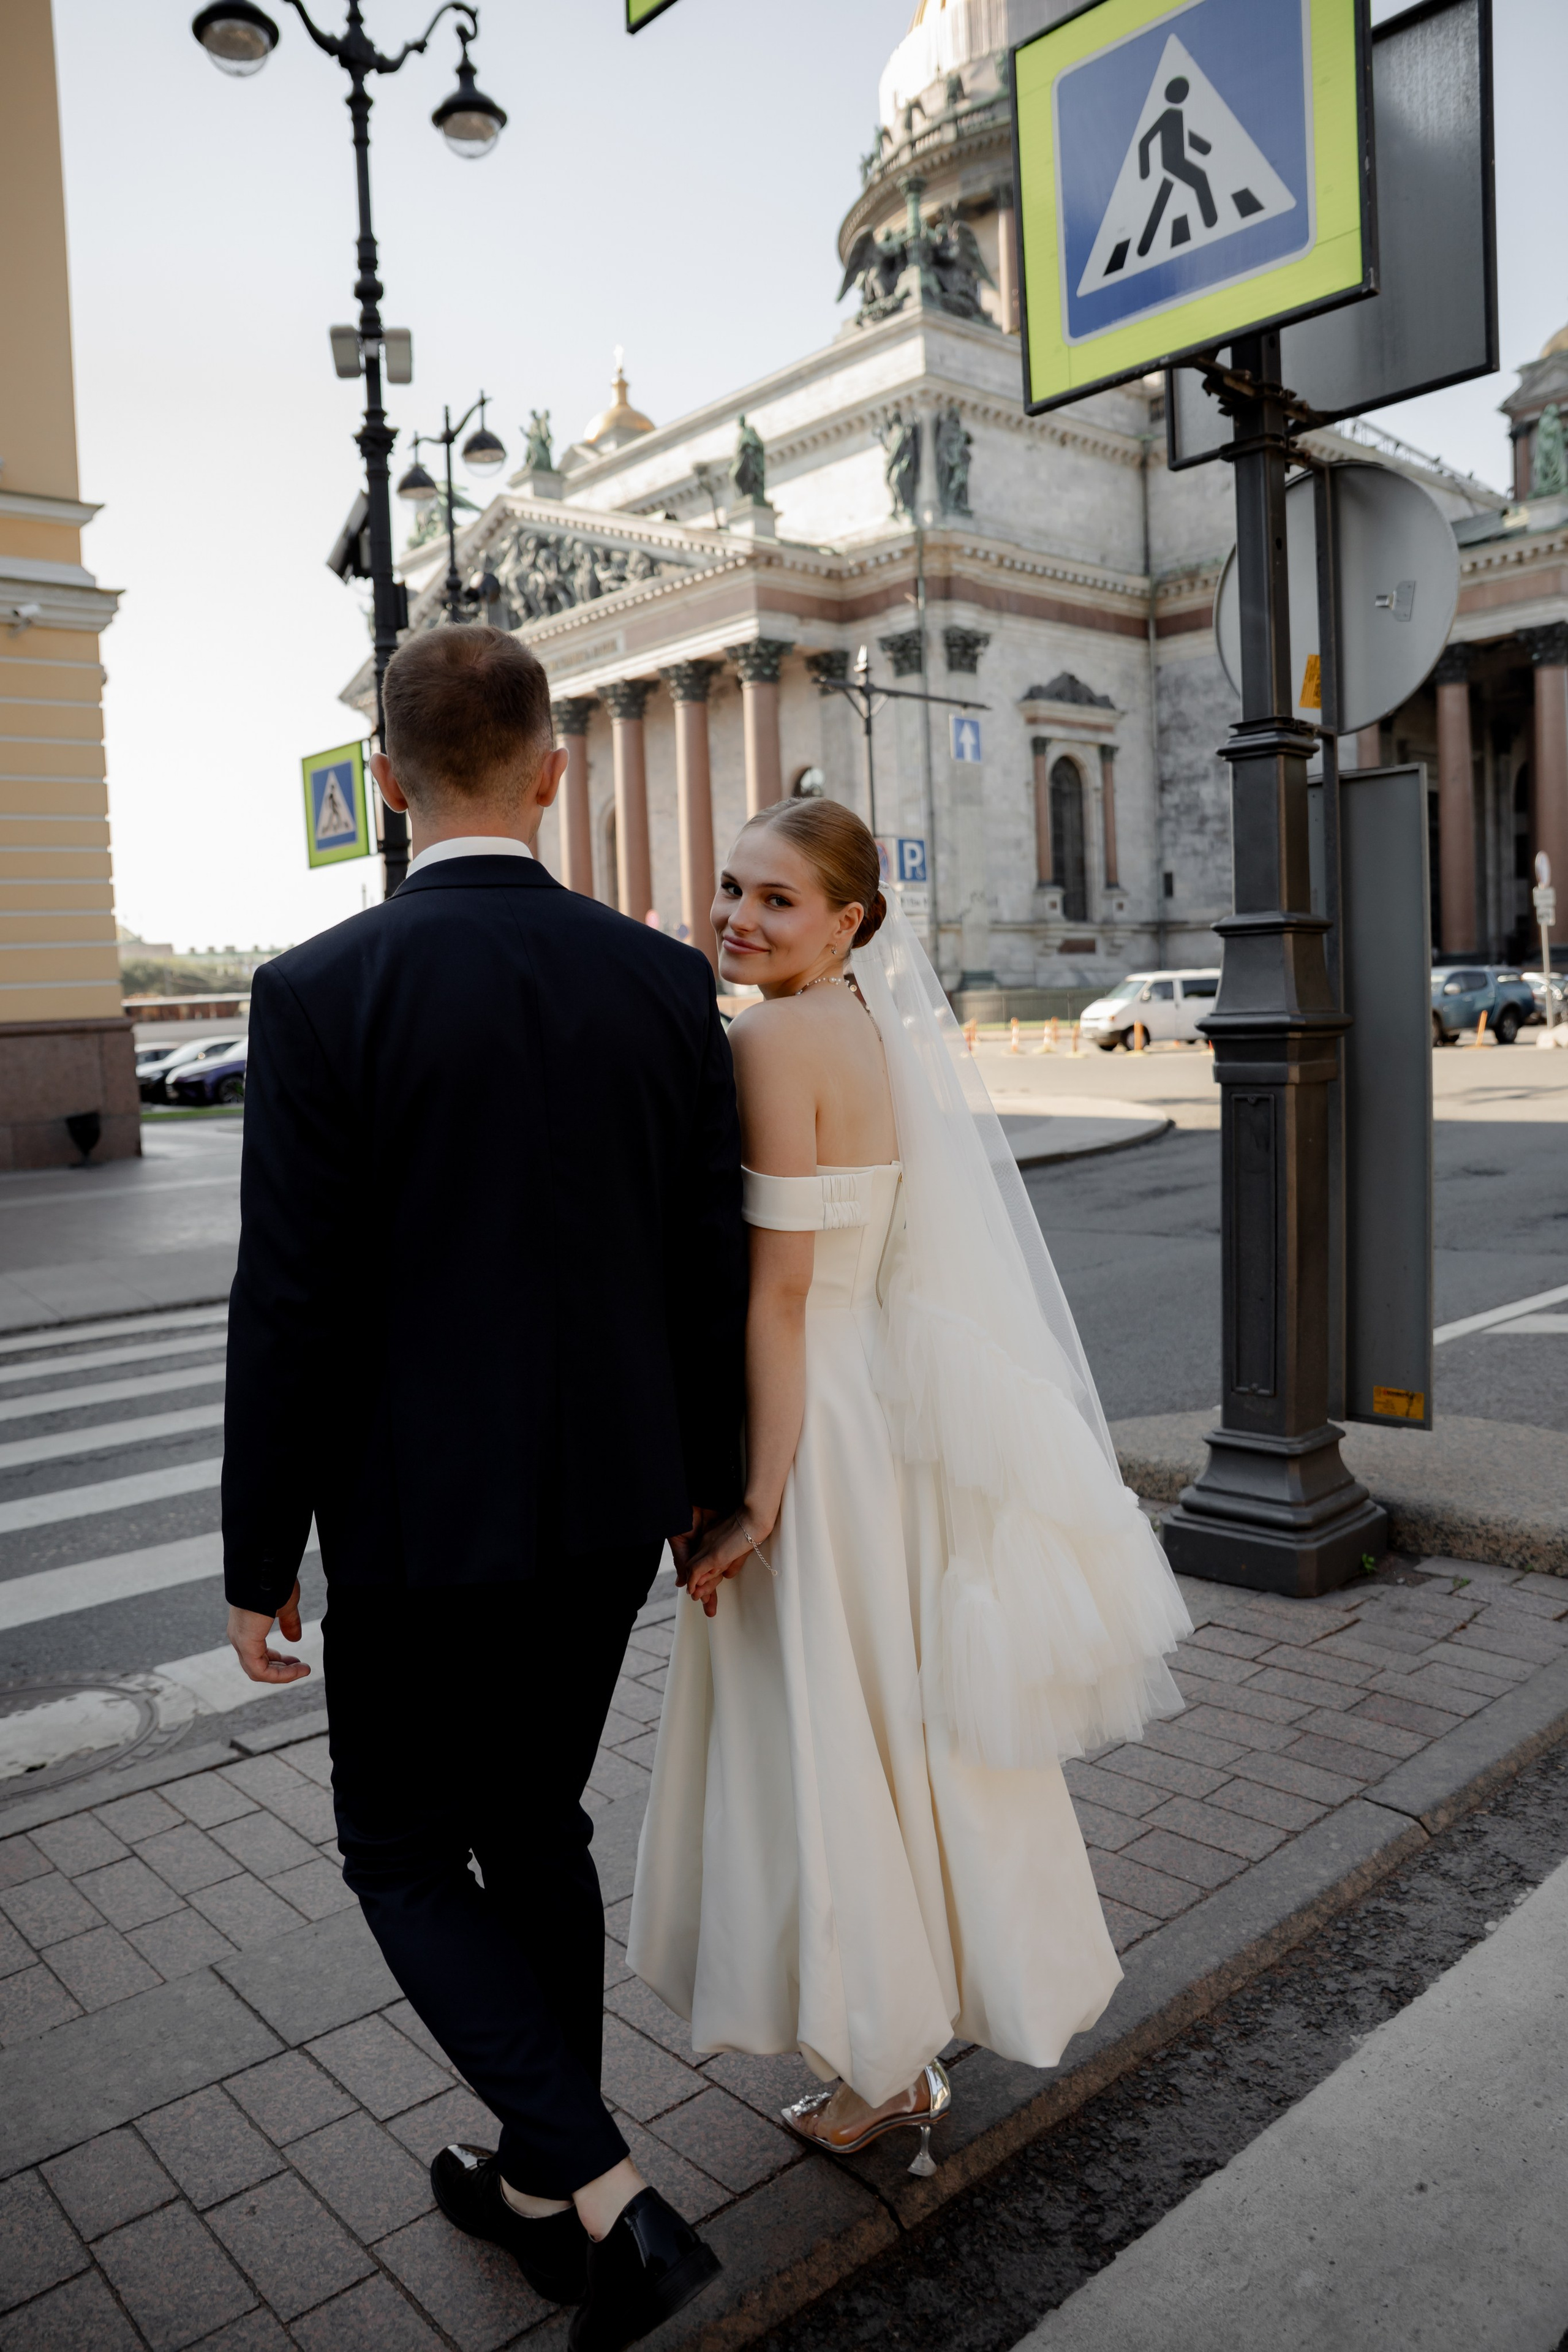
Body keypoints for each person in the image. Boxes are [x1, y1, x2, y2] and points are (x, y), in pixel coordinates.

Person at [222, 626, 742, 2351]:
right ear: (553, 768)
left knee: (396, 1849)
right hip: (608, 1507)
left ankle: (609, 2197)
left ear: (384, 780)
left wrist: (258, 1548)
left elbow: (290, 1299)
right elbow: (708, 1265)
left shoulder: (321, 990)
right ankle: (538, 2194)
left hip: (411, 1515)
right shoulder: (660, 980)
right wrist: (712, 1486)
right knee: (533, 1828)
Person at [628, 799, 1191, 2169]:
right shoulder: (871, 1025)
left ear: (848, 922)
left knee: (827, 1725)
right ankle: (911, 2025)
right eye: (731, 887)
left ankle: (879, 2065)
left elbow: (777, 1296)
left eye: (775, 899)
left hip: (809, 1417)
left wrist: (758, 1497)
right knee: (897, 1722)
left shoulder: (769, 1041)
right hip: (873, 1401)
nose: (736, 917)